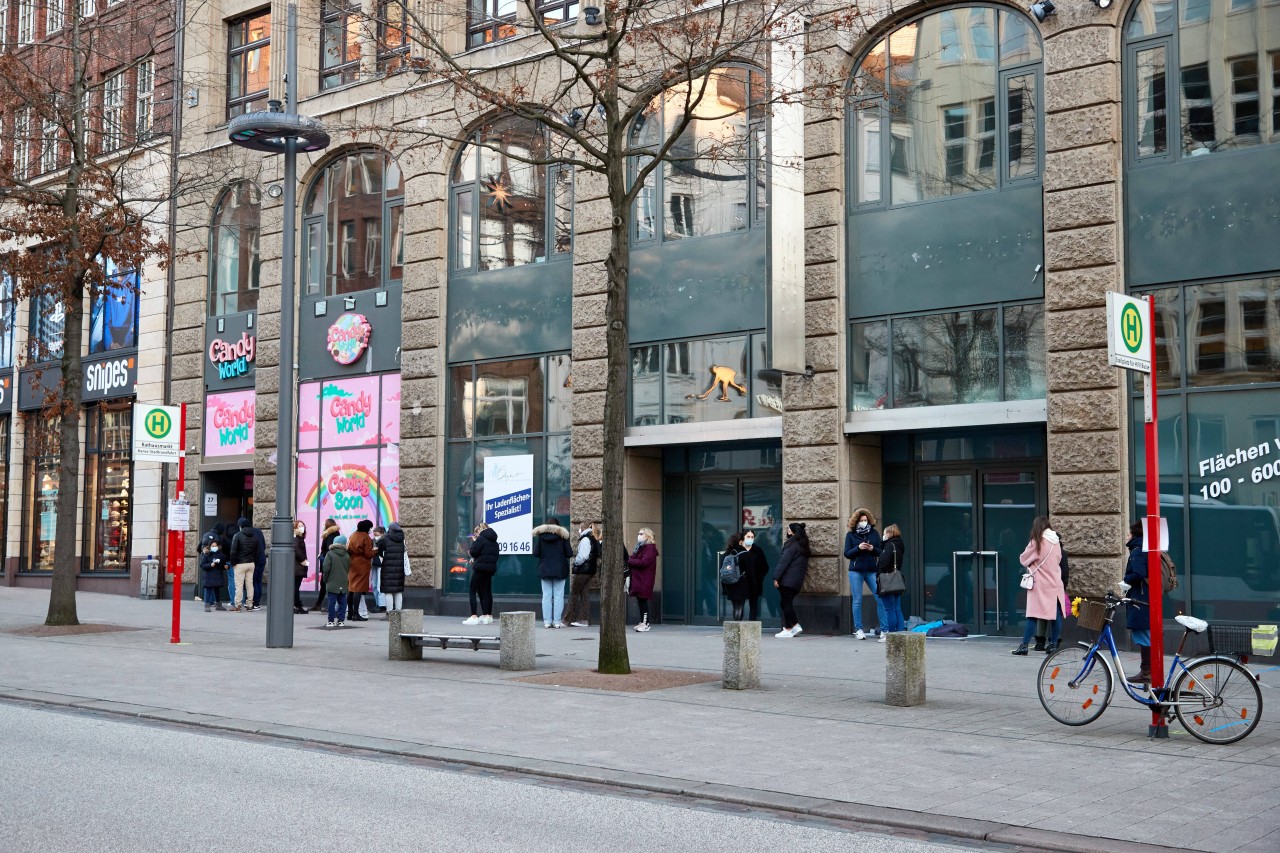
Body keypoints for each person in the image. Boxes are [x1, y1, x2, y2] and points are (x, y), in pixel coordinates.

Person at [1011, 516, 1066, 657]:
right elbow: (1058, 559)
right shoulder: (1056, 541)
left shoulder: (1037, 541)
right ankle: (1053, 644)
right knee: (1055, 615)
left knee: (1032, 615)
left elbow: (1023, 559)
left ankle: (1024, 645)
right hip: (1055, 582)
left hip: (1040, 584)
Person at [844, 508, 886, 640]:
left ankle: (884, 629)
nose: (864, 522)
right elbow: (847, 553)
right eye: (861, 520)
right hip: (856, 570)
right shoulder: (850, 535)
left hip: (871, 570)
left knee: (880, 598)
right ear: (855, 521)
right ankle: (858, 629)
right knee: (857, 600)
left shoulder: (874, 533)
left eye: (865, 520)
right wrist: (858, 548)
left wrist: (872, 549)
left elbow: (881, 552)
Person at [1123, 521, 1153, 685]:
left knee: (1144, 635)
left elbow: (1139, 573)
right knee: (1146, 634)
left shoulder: (1137, 550)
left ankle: (1147, 671)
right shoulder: (1147, 548)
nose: (1127, 536)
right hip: (1147, 597)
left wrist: (1126, 579)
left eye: (1129, 533)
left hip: (1140, 598)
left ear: (1135, 534)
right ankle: (1148, 670)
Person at [533, 517, 573, 628]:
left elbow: (536, 553)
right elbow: (569, 553)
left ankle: (547, 622)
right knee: (558, 596)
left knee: (546, 596)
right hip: (560, 570)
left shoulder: (541, 537)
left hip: (545, 569)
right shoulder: (563, 537)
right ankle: (556, 622)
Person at [773, 522, 810, 638]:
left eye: (788, 529)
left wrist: (776, 577)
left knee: (785, 603)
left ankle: (788, 628)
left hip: (788, 579)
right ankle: (795, 625)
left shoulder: (791, 545)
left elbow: (783, 562)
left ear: (792, 532)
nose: (787, 531)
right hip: (796, 580)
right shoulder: (802, 544)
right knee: (786, 603)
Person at [565, 522, 600, 628]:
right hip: (590, 570)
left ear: (582, 528)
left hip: (583, 571)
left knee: (574, 593)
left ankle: (568, 619)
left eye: (579, 529)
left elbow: (583, 556)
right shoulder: (593, 538)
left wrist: (576, 562)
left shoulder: (585, 539)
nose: (578, 531)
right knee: (584, 594)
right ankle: (584, 619)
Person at [875, 524, 906, 641]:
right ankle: (900, 634)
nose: (883, 536)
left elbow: (882, 563)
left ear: (889, 534)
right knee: (897, 609)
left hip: (887, 581)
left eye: (884, 533)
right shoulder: (899, 545)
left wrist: (878, 572)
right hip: (896, 580)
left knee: (889, 610)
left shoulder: (889, 546)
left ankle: (891, 636)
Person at [464, 523, 499, 625]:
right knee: (486, 591)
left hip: (480, 568)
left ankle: (473, 616)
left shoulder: (481, 539)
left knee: (472, 590)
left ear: (481, 530)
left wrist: (474, 544)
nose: (477, 534)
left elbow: (473, 552)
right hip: (490, 568)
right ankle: (487, 615)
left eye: (477, 531)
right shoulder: (494, 542)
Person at [627, 528, 658, 632]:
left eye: (641, 533)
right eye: (638, 533)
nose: (639, 535)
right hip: (639, 579)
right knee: (640, 601)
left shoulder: (650, 549)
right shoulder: (641, 547)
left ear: (647, 536)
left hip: (644, 579)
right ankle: (642, 622)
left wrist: (630, 561)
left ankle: (646, 623)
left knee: (643, 601)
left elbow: (644, 562)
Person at [737, 529, 770, 621]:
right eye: (748, 537)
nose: (750, 539)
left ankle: (752, 626)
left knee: (754, 604)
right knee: (739, 605)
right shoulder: (737, 550)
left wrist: (759, 577)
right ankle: (738, 626)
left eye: (752, 537)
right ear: (743, 538)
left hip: (754, 582)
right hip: (740, 582)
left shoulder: (757, 550)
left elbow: (765, 567)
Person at [346, 519, 375, 622]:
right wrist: (376, 550)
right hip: (362, 564)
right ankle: (356, 614)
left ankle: (349, 613)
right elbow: (368, 553)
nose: (371, 529)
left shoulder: (353, 535)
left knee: (351, 588)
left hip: (352, 562)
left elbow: (348, 547)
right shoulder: (365, 537)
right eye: (370, 527)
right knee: (358, 589)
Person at [229, 517, 260, 611]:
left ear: (241, 526)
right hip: (251, 564)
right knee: (249, 585)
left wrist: (233, 563)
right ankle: (250, 604)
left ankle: (238, 605)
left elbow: (233, 551)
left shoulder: (237, 535)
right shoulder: (255, 536)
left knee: (239, 585)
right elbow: (257, 552)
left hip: (240, 564)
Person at [322, 534, 351, 629]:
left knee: (331, 603)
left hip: (332, 582)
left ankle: (330, 621)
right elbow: (348, 568)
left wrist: (325, 580)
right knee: (343, 602)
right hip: (343, 582)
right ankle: (341, 621)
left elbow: (326, 568)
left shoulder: (330, 554)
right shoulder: (347, 555)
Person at [379, 522, 408, 614]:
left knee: (388, 591)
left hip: (387, 568)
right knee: (398, 590)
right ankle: (398, 610)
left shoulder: (385, 539)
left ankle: (389, 611)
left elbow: (380, 551)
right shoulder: (402, 539)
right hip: (399, 568)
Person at [312, 518, 340, 612]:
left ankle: (328, 605)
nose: (323, 525)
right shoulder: (333, 534)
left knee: (326, 584)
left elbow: (329, 549)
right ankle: (319, 604)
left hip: (328, 563)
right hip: (331, 562)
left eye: (324, 523)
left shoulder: (330, 535)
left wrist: (322, 555)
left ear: (328, 525)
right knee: (324, 584)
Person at [721, 532, 749, 620]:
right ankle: (738, 628)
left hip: (729, 582)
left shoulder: (727, 553)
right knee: (740, 606)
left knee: (734, 606)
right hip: (742, 582)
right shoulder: (745, 553)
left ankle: (734, 627)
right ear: (740, 542)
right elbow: (749, 569)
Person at [200, 539, 228, 612]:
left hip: (217, 575)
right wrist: (210, 565)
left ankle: (218, 605)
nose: (214, 547)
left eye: (215, 546)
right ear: (210, 547)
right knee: (208, 590)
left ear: (218, 546)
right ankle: (207, 605)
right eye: (213, 546)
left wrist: (226, 566)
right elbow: (202, 565)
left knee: (217, 590)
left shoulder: (221, 555)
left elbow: (223, 564)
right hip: (209, 575)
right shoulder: (206, 555)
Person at [369, 526, 387, 614]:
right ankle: (377, 603)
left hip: (381, 564)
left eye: (377, 534)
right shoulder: (372, 541)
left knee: (380, 585)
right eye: (374, 534)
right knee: (374, 585)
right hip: (374, 564)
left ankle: (382, 605)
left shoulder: (384, 541)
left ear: (382, 533)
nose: (375, 536)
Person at [293, 521, 309, 614]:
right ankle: (297, 605)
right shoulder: (296, 538)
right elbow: (297, 550)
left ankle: (297, 604)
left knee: (296, 587)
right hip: (297, 566)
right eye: (299, 526)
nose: (302, 527)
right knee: (295, 587)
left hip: (298, 567)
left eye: (303, 525)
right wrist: (304, 561)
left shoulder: (300, 538)